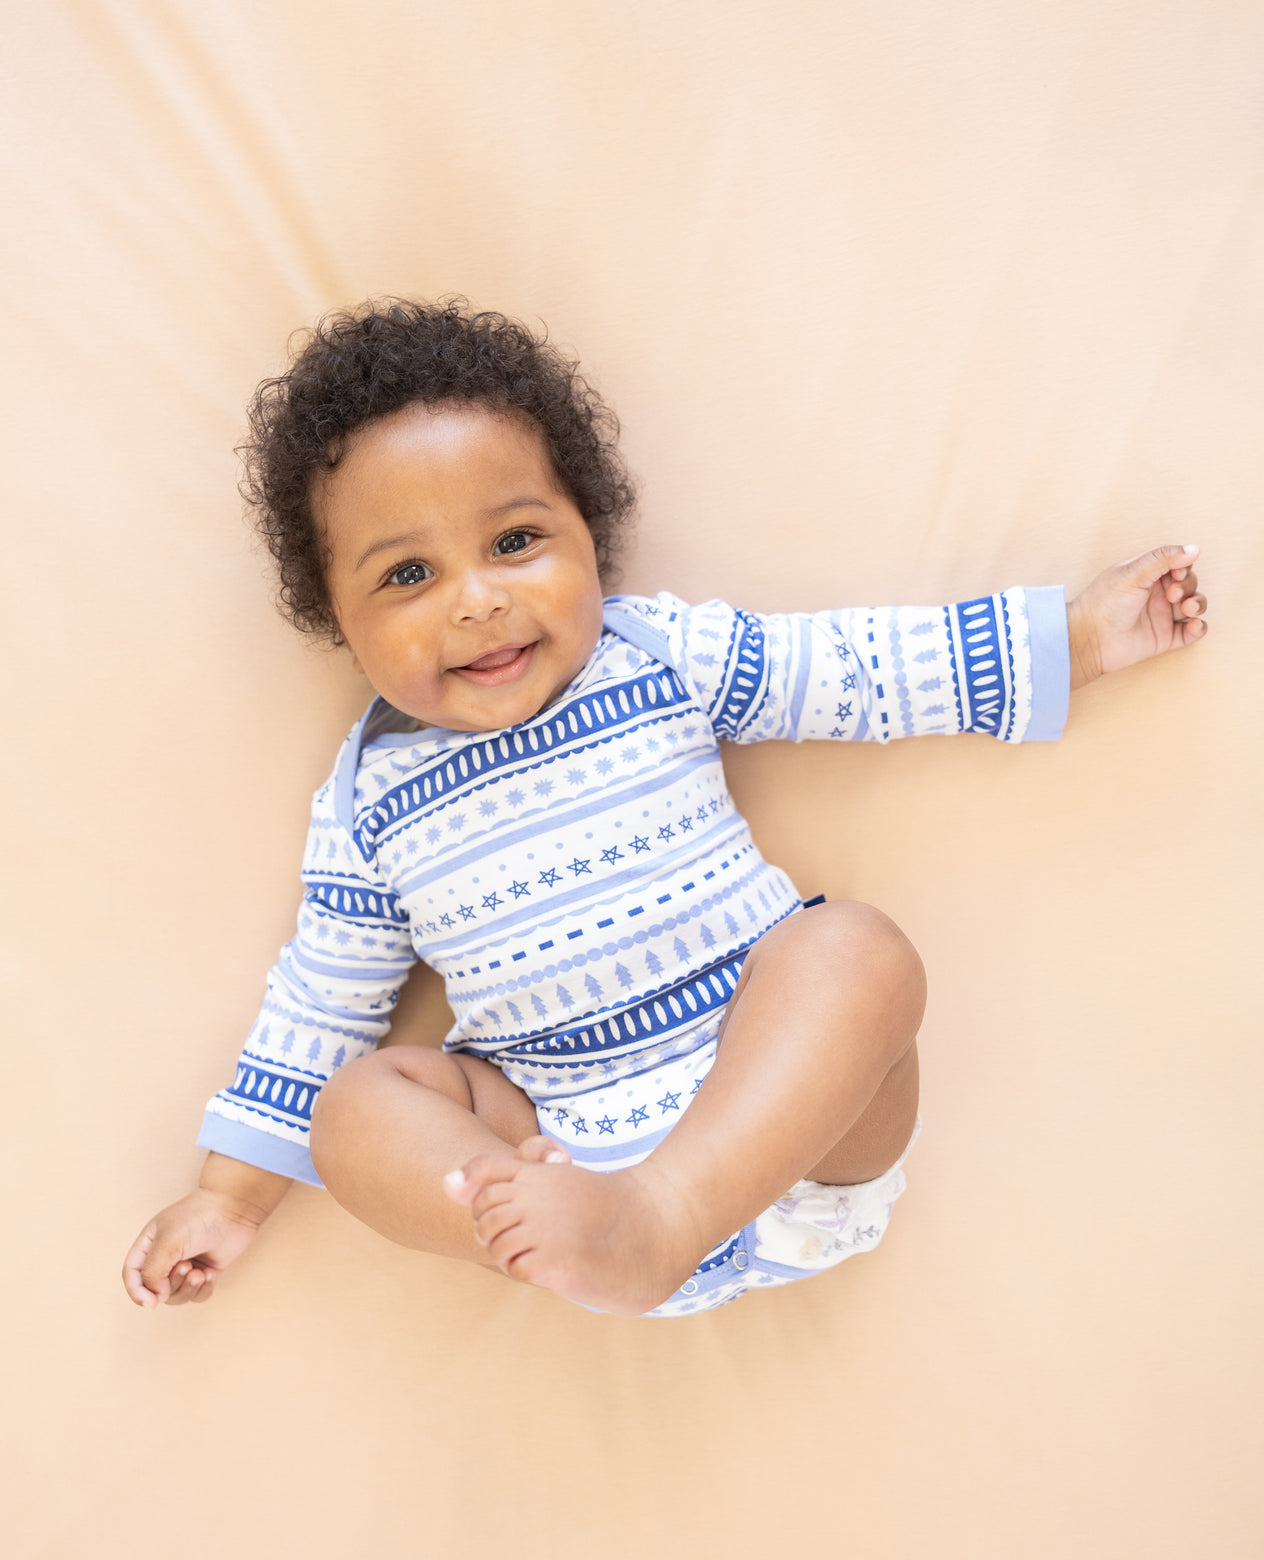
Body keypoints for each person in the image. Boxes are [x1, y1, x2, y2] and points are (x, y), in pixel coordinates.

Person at [121, 300, 1208, 1319]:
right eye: (407, 573)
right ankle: (583, 1228)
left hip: (786, 1135)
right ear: (339, 621)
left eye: (513, 542)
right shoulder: (369, 796)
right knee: (355, 1106)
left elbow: (850, 670)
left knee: (852, 950)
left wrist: (1075, 639)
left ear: (588, 534)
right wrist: (230, 1196)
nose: (476, 597)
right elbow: (321, 997)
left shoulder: (655, 654)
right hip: (560, 1162)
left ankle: (669, 1214)